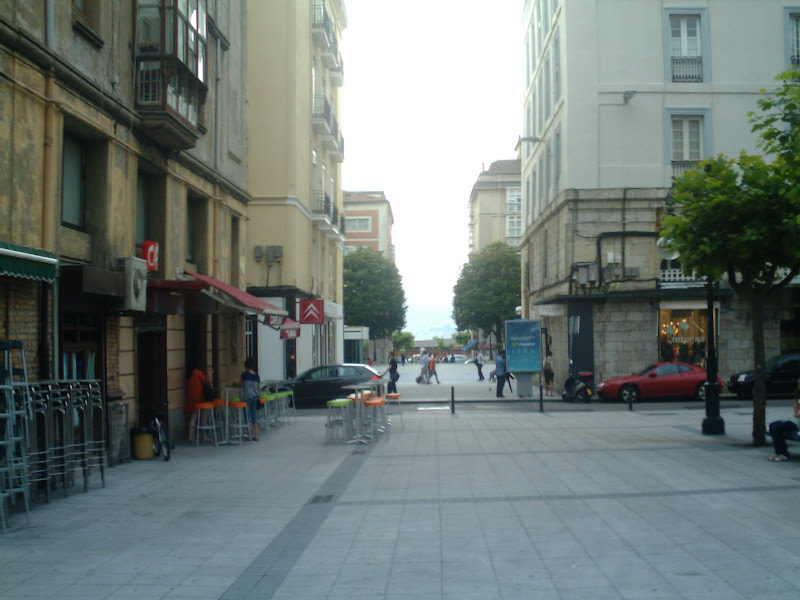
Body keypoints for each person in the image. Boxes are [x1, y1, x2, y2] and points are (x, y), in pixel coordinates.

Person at [768, 378, 800, 461]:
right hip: (793, 419)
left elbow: (797, 414)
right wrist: (796, 401)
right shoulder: (798, 396)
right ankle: (778, 452)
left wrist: (797, 413)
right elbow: (796, 412)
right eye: (799, 384)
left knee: (778, 427)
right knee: (772, 425)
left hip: (797, 423)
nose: (799, 386)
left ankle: (784, 454)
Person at [185, 364, 212, 443]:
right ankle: (203, 436)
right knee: (203, 415)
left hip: (190, 397)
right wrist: (209, 374)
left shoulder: (188, 374)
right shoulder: (197, 372)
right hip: (199, 397)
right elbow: (206, 381)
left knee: (194, 416)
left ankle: (190, 436)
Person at [240, 357, 261, 441]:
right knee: (254, 416)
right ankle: (256, 435)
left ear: (246, 366)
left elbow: (240, 384)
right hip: (255, 398)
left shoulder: (244, 375)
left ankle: (248, 435)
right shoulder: (257, 375)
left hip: (247, 398)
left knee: (247, 416)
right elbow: (258, 387)